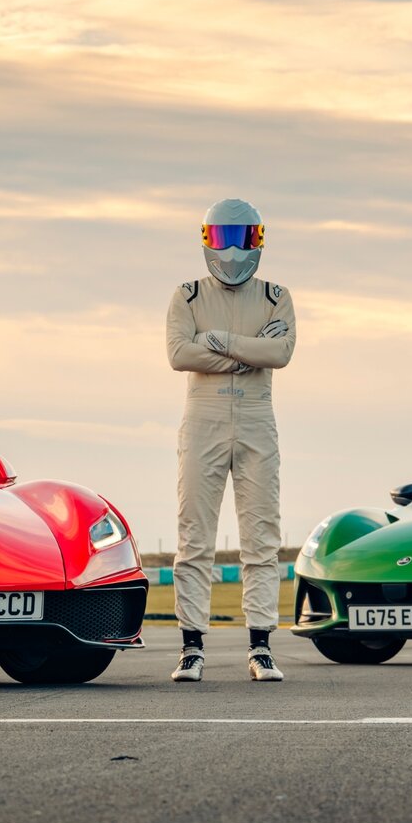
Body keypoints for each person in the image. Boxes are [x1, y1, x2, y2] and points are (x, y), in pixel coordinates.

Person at [165, 198, 297, 682]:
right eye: (224, 239)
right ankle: (191, 647)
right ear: (207, 241)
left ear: (258, 242)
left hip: (258, 418)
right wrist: (246, 351)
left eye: (244, 239)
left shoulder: (276, 295)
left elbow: (280, 353)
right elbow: (180, 354)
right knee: (194, 534)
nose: (234, 251)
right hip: (204, 416)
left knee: (262, 535)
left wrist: (215, 344)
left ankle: (261, 645)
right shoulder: (188, 295)